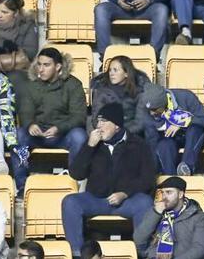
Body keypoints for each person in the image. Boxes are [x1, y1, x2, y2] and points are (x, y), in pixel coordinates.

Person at [62, 101, 156, 257]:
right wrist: (89, 147)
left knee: (145, 202)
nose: (98, 126)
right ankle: (77, 254)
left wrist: (125, 193)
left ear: (117, 126)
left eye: (104, 121)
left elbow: (148, 179)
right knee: (70, 202)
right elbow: (76, 174)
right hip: (97, 199)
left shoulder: (138, 145)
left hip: (127, 201)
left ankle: (142, 253)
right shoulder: (92, 143)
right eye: (98, 121)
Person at [15, 47, 87, 190]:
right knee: (18, 136)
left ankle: (74, 183)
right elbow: (25, 111)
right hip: (38, 136)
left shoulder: (73, 85)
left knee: (79, 136)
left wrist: (59, 128)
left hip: (63, 135)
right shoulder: (31, 86)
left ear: (58, 67)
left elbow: (79, 117)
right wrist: (30, 125)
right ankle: (22, 186)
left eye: (46, 65)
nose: (41, 69)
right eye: (39, 64)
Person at [138, 84, 204, 177]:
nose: (151, 113)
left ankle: (186, 168)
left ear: (164, 103)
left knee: (194, 130)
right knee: (164, 145)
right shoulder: (148, 113)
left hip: (193, 136)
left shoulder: (186, 96)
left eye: (154, 109)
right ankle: (170, 178)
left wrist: (181, 124)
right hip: (171, 137)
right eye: (149, 110)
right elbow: (152, 138)